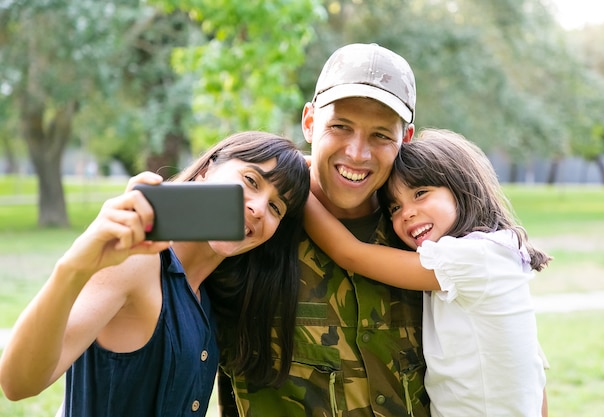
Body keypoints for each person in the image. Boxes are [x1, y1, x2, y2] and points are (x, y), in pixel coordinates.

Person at [0, 131, 310, 417]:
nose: (258, 208)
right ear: (207, 170)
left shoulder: (209, 297)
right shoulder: (139, 263)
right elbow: (18, 384)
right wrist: (75, 267)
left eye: (276, 207)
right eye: (251, 181)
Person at [216, 43, 431, 416]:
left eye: (381, 135)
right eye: (340, 127)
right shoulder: (255, 226)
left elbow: (509, 356)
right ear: (310, 121)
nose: (358, 153)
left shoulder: (426, 237)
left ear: (406, 139)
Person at [304, 128, 551, 416]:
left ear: (461, 187)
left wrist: (301, 181)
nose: (406, 213)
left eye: (420, 193)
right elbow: (535, 371)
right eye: (395, 207)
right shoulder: (495, 252)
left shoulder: (471, 259)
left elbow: (350, 253)